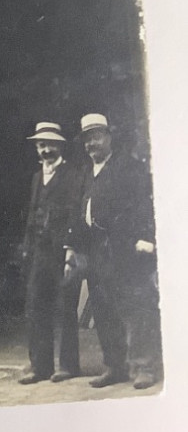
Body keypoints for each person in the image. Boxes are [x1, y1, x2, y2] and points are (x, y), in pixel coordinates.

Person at [70, 114, 159, 390]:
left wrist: (145, 238)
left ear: (109, 137)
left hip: (123, 247)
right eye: (86, 139)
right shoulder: (86, 172)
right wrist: (73, 248)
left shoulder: (128, 168)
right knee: (103, 310)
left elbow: (144, 205)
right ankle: (115, 366)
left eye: (96, 136)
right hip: (95, 250)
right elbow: (79, 211)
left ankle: (144, 367)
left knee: (134, 308)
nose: (91, 144)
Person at [17, 122, 86, 385]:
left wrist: (71, 249)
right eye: (41, 145)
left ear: (60, 146)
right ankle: (40, 367)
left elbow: (75, 214)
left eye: (51, 144)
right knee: (36, 306)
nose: (46, 150)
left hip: (62, 250)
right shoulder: (37, 177)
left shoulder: (74, 174)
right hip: (39, 252)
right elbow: (32, 214)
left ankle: (68, 365)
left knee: (65, 307)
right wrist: (27, 248)